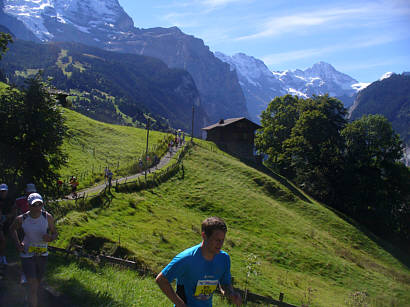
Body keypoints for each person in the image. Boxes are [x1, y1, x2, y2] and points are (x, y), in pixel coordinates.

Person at [156, 216, 242, 307]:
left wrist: (231, 294)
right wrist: (180, 304)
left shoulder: (224, 259)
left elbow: (225, 284)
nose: (220, 244)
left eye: (222, 240)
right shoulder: (187, 258)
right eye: (216, 240)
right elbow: (161, 280)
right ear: (204, 235)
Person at [10, 193, 57, 307]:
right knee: (34, 285)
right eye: (34, 205)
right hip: (27, 254)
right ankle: (31, 300)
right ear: (28, 205)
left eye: (39, 204)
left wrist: (50, 238)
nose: (37, 208)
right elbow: (12, 229)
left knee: (37, 282)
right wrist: (18, 243)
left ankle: (28, 292)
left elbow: (55, 232)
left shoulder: (47, 217)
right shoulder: (22, 219)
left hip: (42, 253)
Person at [0, 183, 13, 272]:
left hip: (6, 222)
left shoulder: (10, 200)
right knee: (2, 239)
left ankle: (2, 257)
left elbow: (13, 212)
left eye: (4, 191)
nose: (3, 193)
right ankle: (2, 257)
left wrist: (6, 217)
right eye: (1, 191)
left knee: (4, 240)